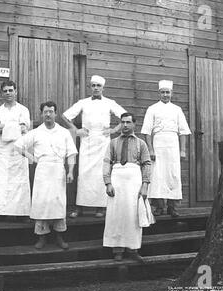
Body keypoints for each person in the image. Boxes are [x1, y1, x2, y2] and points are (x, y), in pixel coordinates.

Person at [15, 101, 77, 250]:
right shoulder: (36, 132)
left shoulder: (63, 132)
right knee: (41, 203)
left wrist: (70, 171)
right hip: (42, 171)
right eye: (45, 112)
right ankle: (41, 237)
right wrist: (33, 158)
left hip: (58, 171)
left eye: (51, 111)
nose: (48, 114)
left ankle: (59, 237)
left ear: (55, 113)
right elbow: (18, 145)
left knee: (58, 203)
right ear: (41, 114)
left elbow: (71, 153)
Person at [62, 75, 126, 218]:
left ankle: (100, 207)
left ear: (103, 88)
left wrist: (114, 130)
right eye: (93, 85)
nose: (96, 88)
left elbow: (125, 116)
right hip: (87, 140)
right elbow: (65, 116)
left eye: (98, 85)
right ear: (90, 87)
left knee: (101, 173)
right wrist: (76, 130)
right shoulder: (83, 102)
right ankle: (80, 207)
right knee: (84, 173)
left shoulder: (110, 102)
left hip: (103, 141)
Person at [103, 112, 151, 261]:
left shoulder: (141, 143)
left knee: (132, 214)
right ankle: (117, 250)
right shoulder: (113, 143)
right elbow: (106, 162)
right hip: (117, 181)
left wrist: (144, 186)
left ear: (134, 124)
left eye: (128, 122)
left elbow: (147, 164)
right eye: (122, 122)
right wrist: (108, 182)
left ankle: (133, 249)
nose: (125, 125)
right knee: (116, 214)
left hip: (133, 181)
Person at [141, 80, 191, 217]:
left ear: (171, 93)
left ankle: (172, 207)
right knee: (157, 175)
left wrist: (182, 150)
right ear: (159, 93)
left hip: (173, 145)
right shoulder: (152, 109)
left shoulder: (177, 110)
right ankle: (159, 206)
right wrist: (150, 149)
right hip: (158, 145)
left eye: (167, 92)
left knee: (173, 175)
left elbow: (183, 131)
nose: (165, 95)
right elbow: (146, 132)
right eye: (162, 92)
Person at [0, 80, 31, 222]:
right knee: (0, 181)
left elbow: (24, 128)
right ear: (2, 93)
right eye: (5, 91)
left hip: (18, 148)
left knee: (19, 180)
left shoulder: (23, 110)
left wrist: (3, 127)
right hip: (2, 149)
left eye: (11, 90)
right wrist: (12, 126)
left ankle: (21, 213)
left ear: (16, 91)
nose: (8, 93)